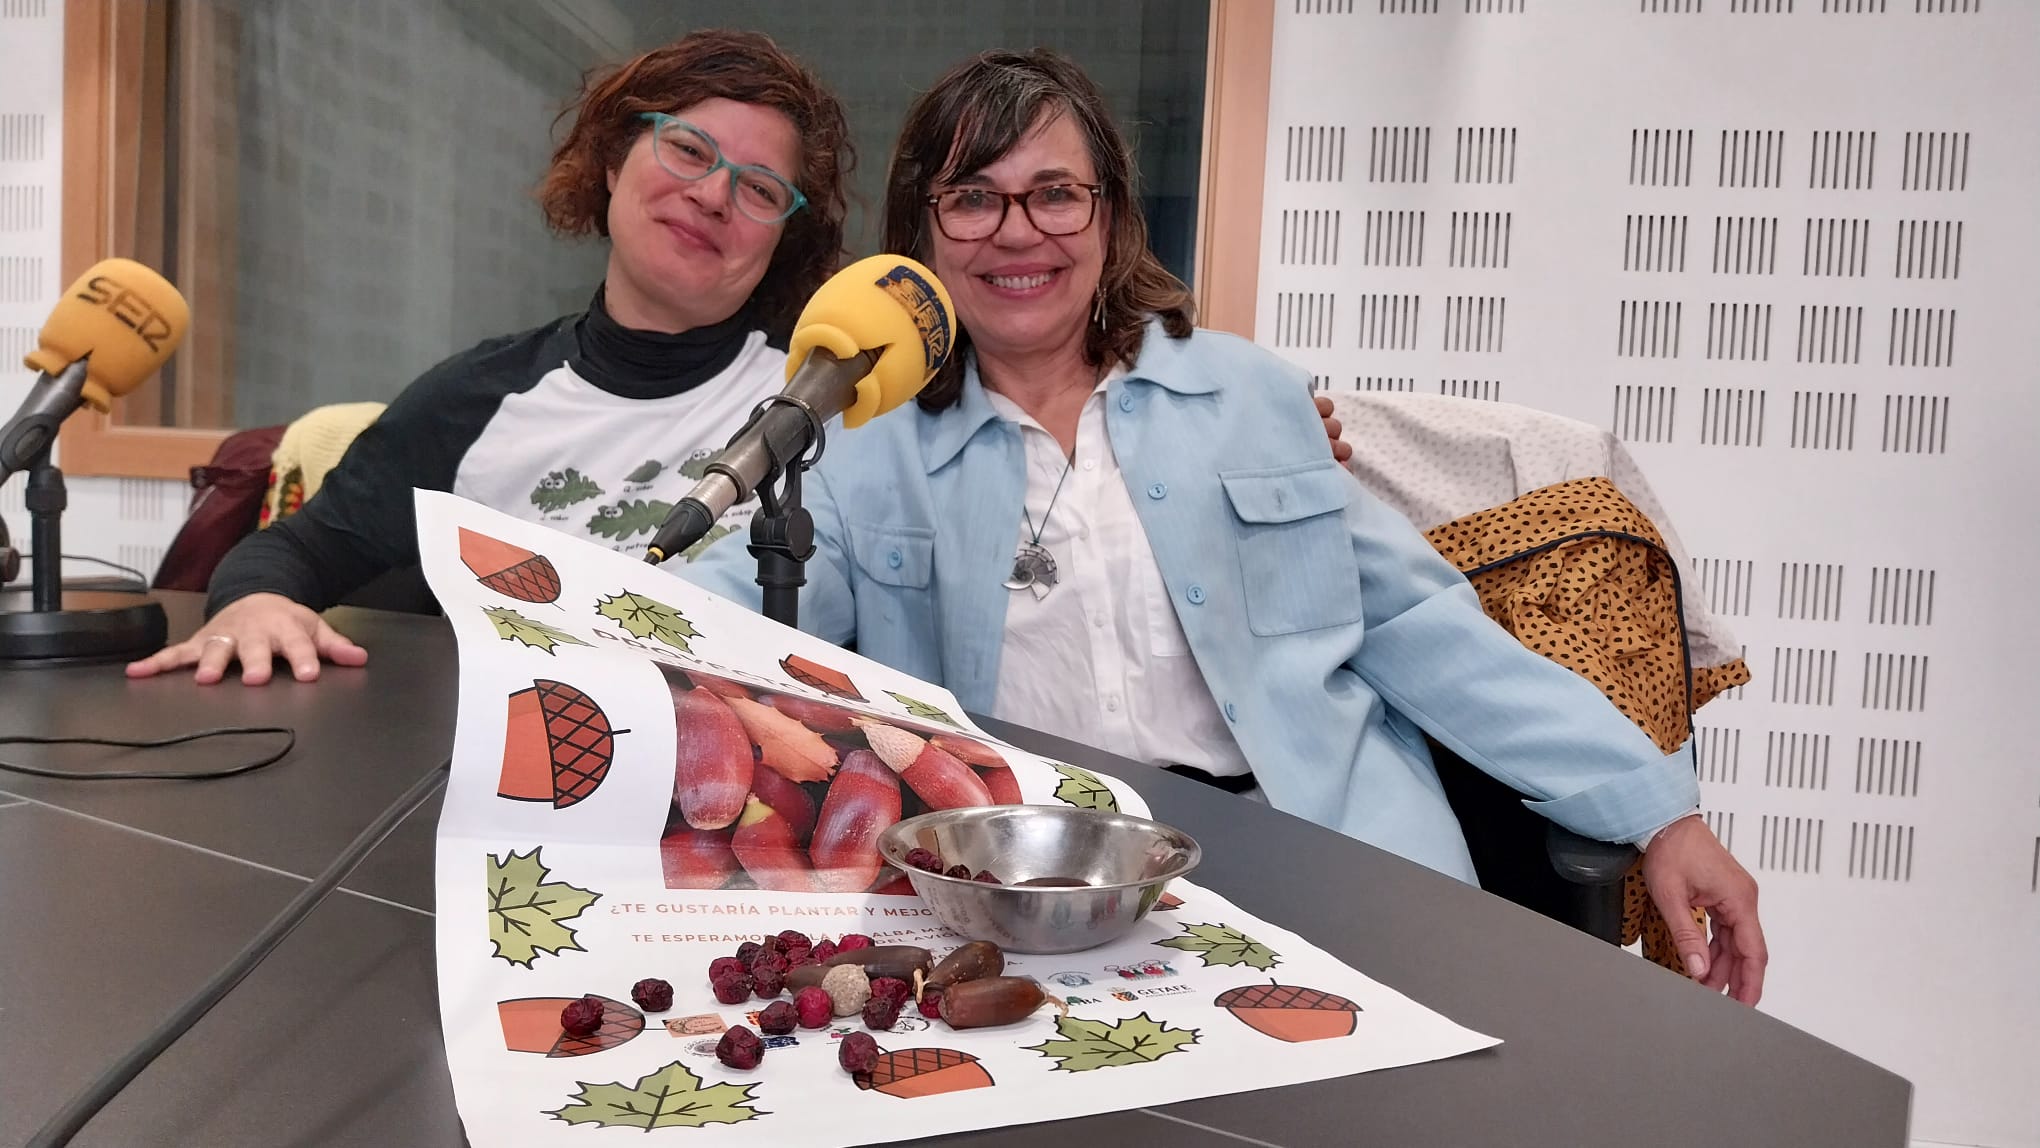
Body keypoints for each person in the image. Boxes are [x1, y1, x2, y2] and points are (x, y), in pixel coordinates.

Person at [682, 48, 1767, 1004]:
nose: (1019, 232)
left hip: (1325, 857)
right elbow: (722, 618)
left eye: (1057, 193)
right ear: (924, 228)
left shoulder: (1250, 398)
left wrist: (1661, 810)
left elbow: (1433, 633)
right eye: (974, 196)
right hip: (1032, 894)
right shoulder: (866, 442)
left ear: (1110, 216)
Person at [125, 29, 854, 686]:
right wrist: (255, 606)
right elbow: (296, 551)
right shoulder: (478, 396)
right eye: (689, 149)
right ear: (610, 163)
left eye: (759, 188)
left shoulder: (825, 408)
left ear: (782, 239)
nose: (712, 195)